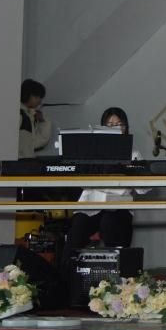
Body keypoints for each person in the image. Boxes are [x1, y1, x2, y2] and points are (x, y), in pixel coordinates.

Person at [67, 107, 142, 251]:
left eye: (119, 124)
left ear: (125, 127)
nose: (115, 128)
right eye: (110, 125)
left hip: (118, 206)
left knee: (110, 223)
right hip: (92, 205)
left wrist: (132, 171)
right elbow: (81, 180)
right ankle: (68, 264)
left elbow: (143, 189)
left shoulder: (133, 153)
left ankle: (117, 264)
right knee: (77, 228)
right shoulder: (92, 151)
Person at [18, 79, 52, 159]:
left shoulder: (29, 115)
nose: (39, 101)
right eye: (36, 97)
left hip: (25, 160)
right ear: (26, 95)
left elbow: (35, 142)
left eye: (40, 97)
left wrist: (42, 122)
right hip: (18, 161)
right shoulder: (20, 115)